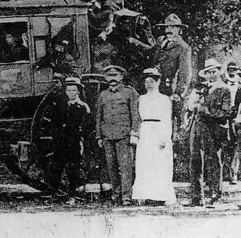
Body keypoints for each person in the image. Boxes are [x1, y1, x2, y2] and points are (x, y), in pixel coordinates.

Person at [185, 58, 232, 207]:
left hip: (214, 130)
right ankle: (196, 197)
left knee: (213, 161)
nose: (211, 74)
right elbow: (191, 107)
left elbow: (225, 113)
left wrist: (207, 111)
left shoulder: (224, 90)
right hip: (198, 128)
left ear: (219, 72)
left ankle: (214, 195)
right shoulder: (202, 89)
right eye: (208, 72)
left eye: (214, 71)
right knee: (195, 161)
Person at [96, 65, 140, 206]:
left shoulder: (130, 93)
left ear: (121, 77)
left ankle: (126, 196)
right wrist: (99, 136)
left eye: (115, 76)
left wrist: (134, 132)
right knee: (112, 167)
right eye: (109, 76)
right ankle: (116, 195)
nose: (112, 79)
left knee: (126, 167)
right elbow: (99, 117)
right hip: (108, 136)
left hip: (124, 136)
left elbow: (135, 114)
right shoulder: (103, 95)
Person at [132, 68, 176, 205]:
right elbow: (137, 118)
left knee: (159, 163)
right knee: (145, 163)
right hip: (145, 131)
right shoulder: (141, 98)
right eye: (146, 81)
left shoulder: (164, 99)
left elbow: (167, 120)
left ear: (158, 82)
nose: (149, 84)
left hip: (159, 131)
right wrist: (136, 134)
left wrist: (164, 138)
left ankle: (159, 196)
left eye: (152, 81)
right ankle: (146, 194)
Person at [48, 76, 92, 203]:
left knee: (73, 168)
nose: (71, 93)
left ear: (78, 91)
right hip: (60, 141)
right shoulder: (59, 106)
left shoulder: (83, 107)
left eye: (74, 90)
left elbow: (88, 125)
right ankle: (54, 194)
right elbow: (53, 122)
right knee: (56, 167)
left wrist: (80, 136)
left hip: (74, 141)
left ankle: (72, 195)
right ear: (65, 91)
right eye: (68, 90)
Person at [151, 14, 193, 136]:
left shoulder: (183, 47)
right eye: (167, 27)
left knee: (169, 123)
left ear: (180, 30)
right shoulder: (161, 41)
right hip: (157, 87)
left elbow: (185, 73)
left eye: (173, 27)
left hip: (170, 89)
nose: (169, 30)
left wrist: (178, 93)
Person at [225, 61, 241, 184]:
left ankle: (234, 173)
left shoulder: (240, 85)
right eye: (230, 69)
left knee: (236, 144)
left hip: (237, 116)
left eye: (234, 69)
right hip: (226, 115)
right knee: (227, 143)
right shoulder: (223, 83)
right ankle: (226, 172)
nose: (232, 72)